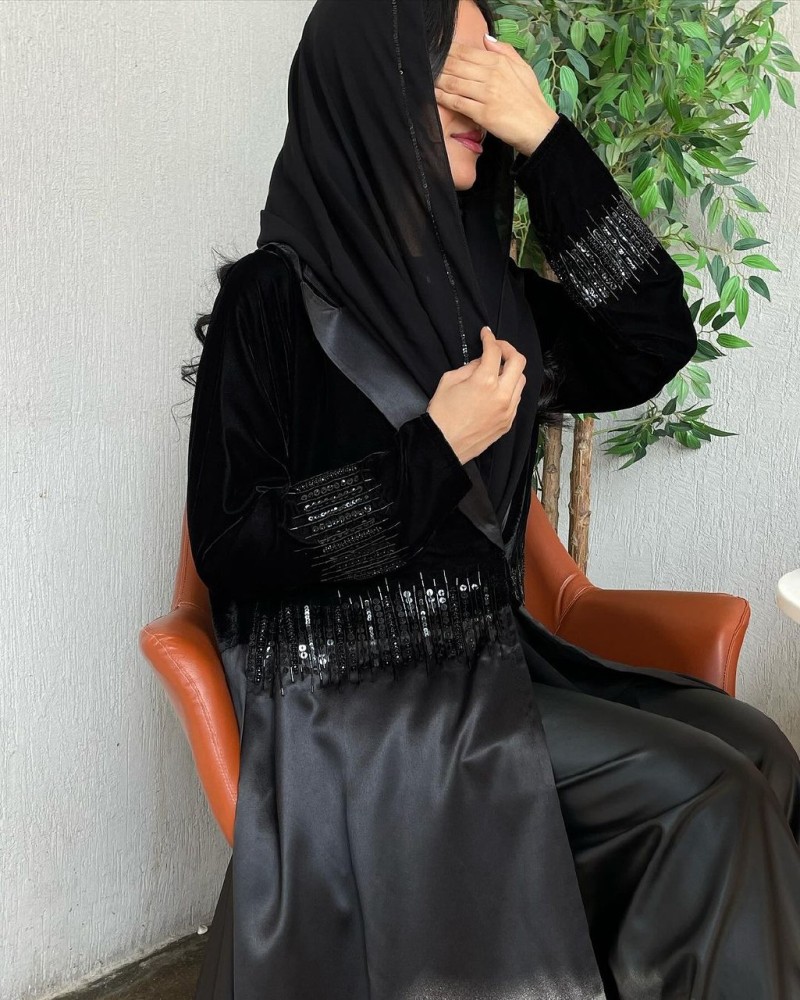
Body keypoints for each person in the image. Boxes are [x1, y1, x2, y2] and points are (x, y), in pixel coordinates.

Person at [184, 1, 800, 997]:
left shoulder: (490, 302)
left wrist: (549, 142)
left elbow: (651, 340)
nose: (486, 90)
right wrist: (434, 449)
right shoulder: (272, 300)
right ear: (375, 84)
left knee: (758, 748)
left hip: (494, 664)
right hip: (362, 704)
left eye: (495, 65)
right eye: (458, 65)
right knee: (709, 791)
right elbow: (234, 544)